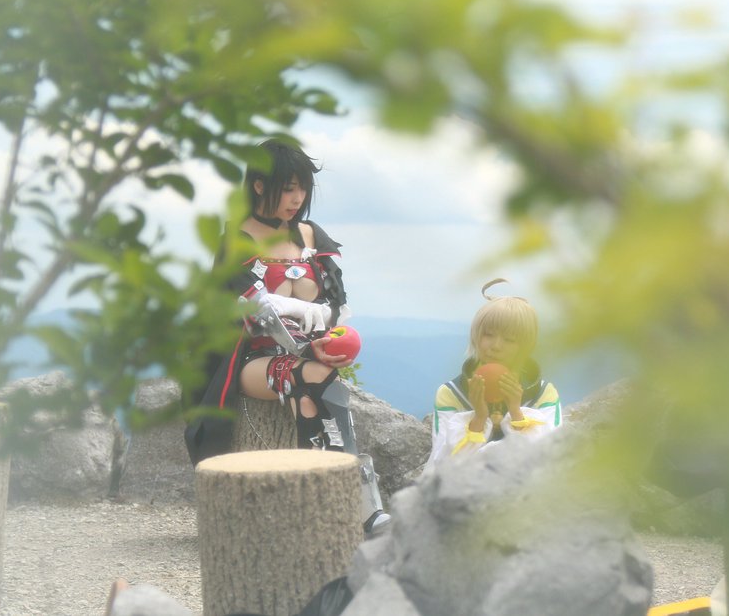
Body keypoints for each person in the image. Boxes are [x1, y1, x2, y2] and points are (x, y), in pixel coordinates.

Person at [184, 139, 389, 535]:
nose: (298, 199)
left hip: (311, 355)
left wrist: (327, 340)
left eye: (303, 189)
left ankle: (325, 502)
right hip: (249, 359)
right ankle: (359, 506)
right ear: (260, 185)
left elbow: (336, 306)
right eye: (289, 188)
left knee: (312, 392)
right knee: (308, 376)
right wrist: (309, 340)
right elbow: (258, 311)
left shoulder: (313, 236)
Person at [425, 279, 562, 472]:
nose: (496, 346)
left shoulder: (544, 394)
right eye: (488, 335)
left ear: (524, 345)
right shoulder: (451, 393)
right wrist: (479, 418)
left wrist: (516, 413)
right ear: (476, 336)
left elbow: (549, 459)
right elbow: (442, 464)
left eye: (509, 339)